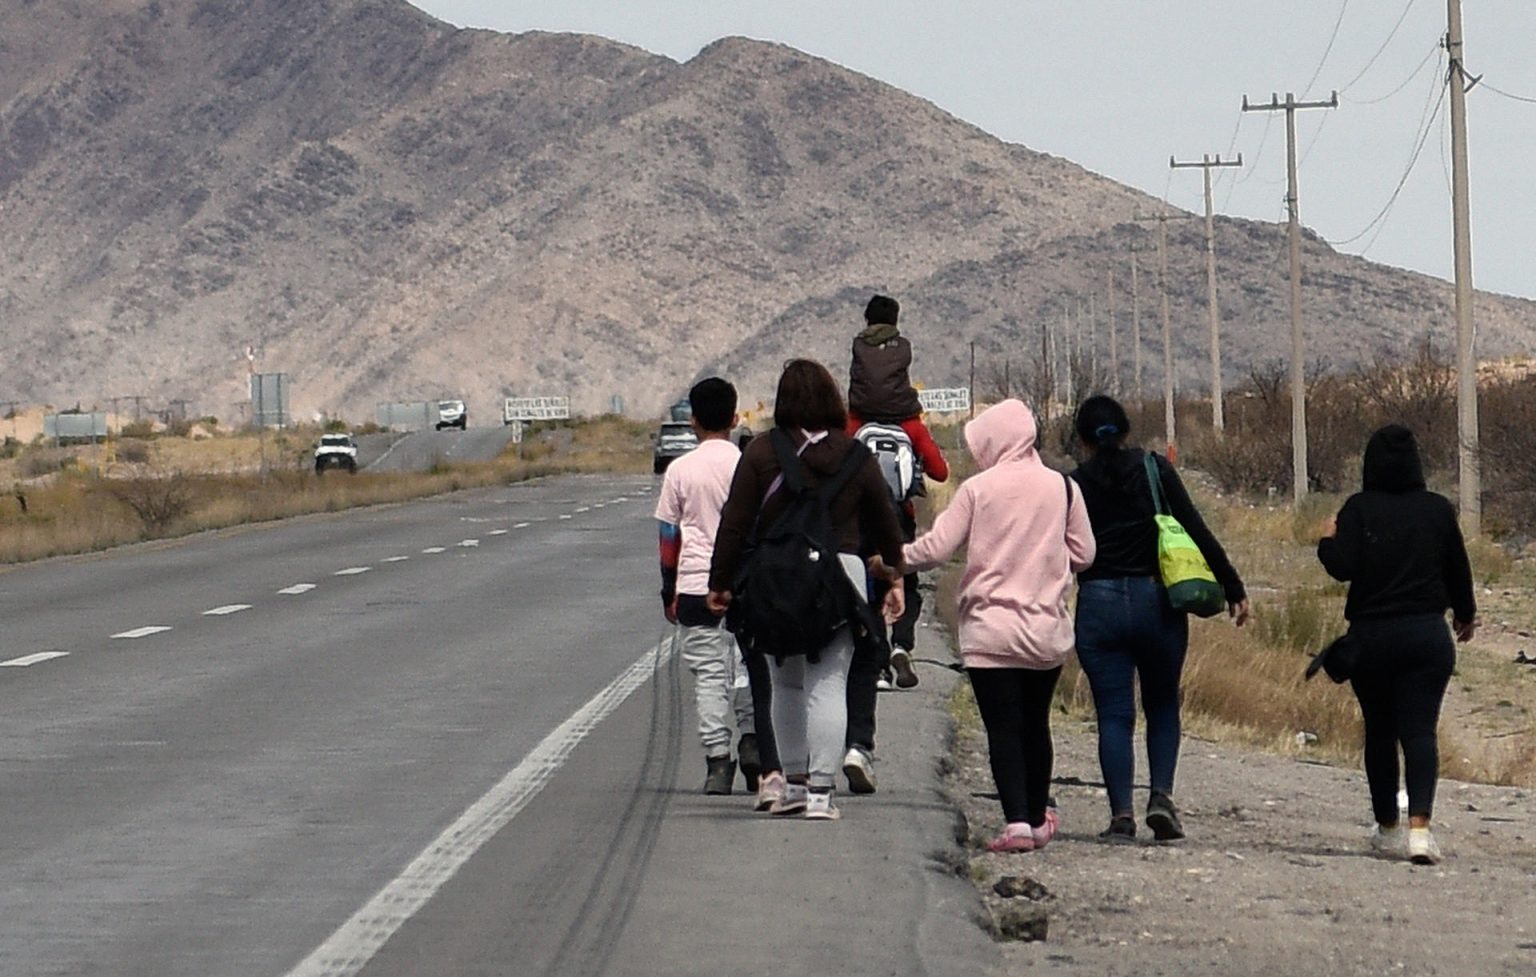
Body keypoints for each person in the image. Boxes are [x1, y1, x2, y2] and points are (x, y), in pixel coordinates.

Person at [708, 359, 906, 821]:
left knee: (785, 683)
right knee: (829, 683)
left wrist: (720, 584)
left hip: (776, 578)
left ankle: (792, 784)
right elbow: (886, 524)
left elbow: (735, 524)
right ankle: (821, 791)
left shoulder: (761, 452)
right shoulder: (856, 457)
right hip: (842, 575)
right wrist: (894, 576)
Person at [894, 399, 1095, 852]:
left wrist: (893, 560)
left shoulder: (978, 490)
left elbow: (937, 549)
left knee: (1002, 728)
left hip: (990, 629)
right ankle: (1039, 818)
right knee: (1035, 725)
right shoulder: (1063, 489)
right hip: (1044, 631)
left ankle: (1017, 823)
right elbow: (1085, 554)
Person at [1069, 395, 1249, 842]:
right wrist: (1233, 587)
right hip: (1157, 601)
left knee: (1113, 714)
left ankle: (1121, 816)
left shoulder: (1071, 485)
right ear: (1127, 431)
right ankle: (1161, 797)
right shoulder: (1154, 470)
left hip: (1099, 602)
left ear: (1082, 440)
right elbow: (1194, 527)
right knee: (1163, 703)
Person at [1317, 424, 1475, 865]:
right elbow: (1457, 568)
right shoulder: (1438, 510)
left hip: (1371, 639)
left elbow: (1342, 567)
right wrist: (1465, 614)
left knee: (1381, 732)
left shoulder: (1358, 509)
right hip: (1427, 636)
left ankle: (1387, 827)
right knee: (1420, 732)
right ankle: (1421, 831)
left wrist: (1327, 541)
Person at [842, 294, 951, 795]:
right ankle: (905, 642)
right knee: (905, 577)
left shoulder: (853, 420)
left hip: (861, 521)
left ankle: (880, 654)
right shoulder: (909, 419)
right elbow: (940, 470)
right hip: (901, 518)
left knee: (868, 586)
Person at [655, 378, 762, 796]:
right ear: (736, 419)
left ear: (693, 421)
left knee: (708, 676)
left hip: (696, 585)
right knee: (748, 669)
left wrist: (670, 590)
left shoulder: (681, 470)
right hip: (744, 585)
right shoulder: (749, 465)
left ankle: (718, 761)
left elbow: (669, 536)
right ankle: (753, 742)